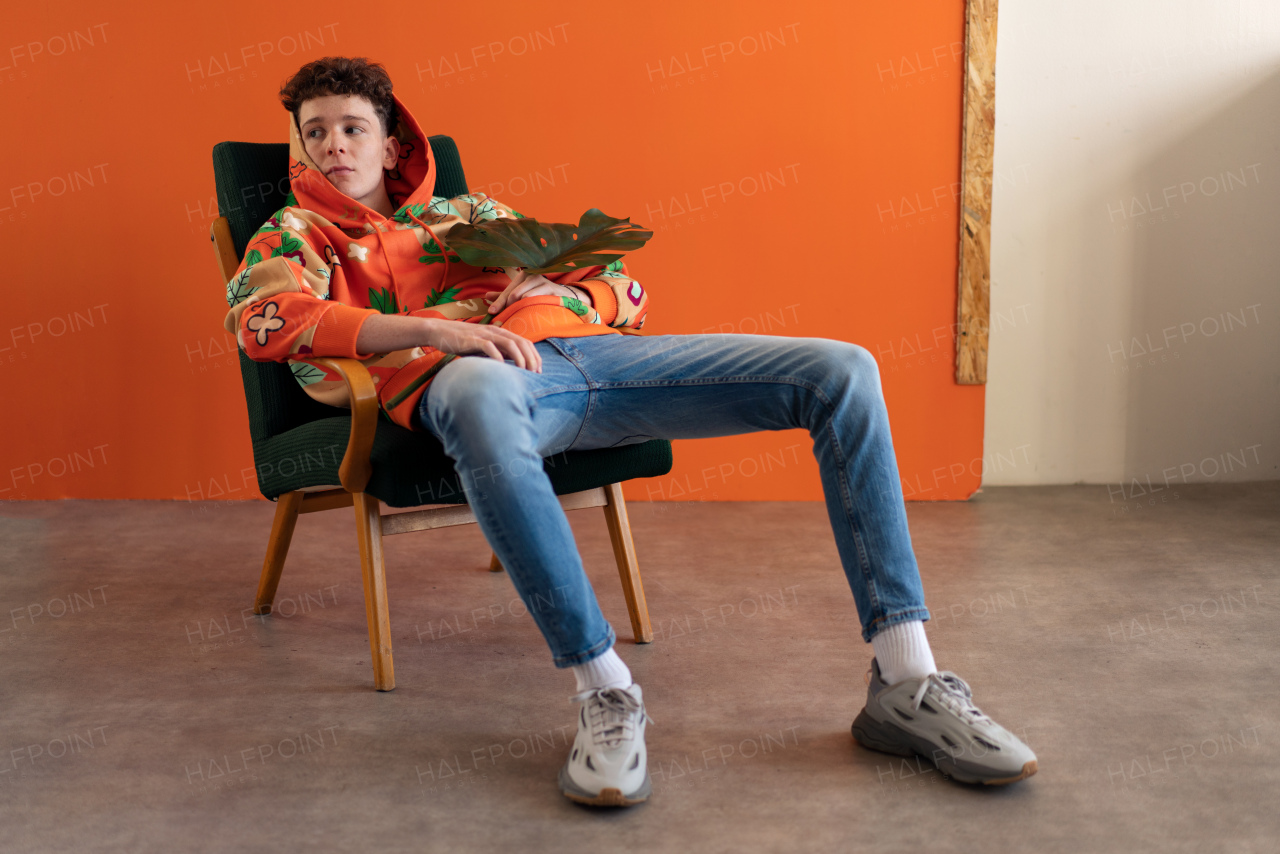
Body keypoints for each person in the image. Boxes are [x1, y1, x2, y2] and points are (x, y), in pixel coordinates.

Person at [221, 55, 1037, 807]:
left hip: (588, 362)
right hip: (473, 388)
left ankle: (906, 680)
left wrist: (545, 296)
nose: (332, 146)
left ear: (392, 139)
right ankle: (603, 690)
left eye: (352, 127)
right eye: (315, 131)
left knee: (844, 369)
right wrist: (437, 334)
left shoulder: (466, 214)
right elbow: (265, 320)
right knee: (471, 389)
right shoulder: (295, 233)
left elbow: (621, 286)